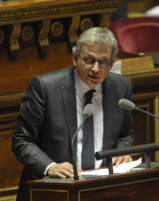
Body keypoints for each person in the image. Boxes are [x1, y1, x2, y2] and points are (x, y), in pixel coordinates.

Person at [12, 27, 135, 201]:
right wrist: (50, 166)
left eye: (103, 62)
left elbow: (125, 134)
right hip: (54, 190)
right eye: (89, 60)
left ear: (112, 62)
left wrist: (122, 152)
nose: (95, 69)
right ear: (74, 58)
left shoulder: (121, 87)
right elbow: (22, 141)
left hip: (103, 188)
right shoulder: (45, 88)